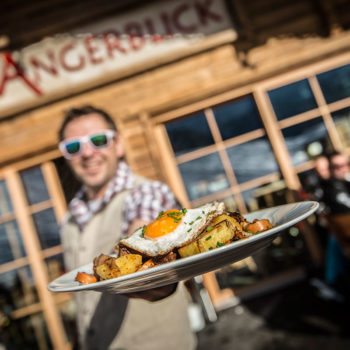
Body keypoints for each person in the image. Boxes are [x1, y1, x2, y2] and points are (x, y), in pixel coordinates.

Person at [57, 105, 197, 350]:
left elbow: (144, 249)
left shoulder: (146, 192)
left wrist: (152, 280)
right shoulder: (69, 219)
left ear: (118, 145)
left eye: (98, 140)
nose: (87, 153)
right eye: (73, 147)